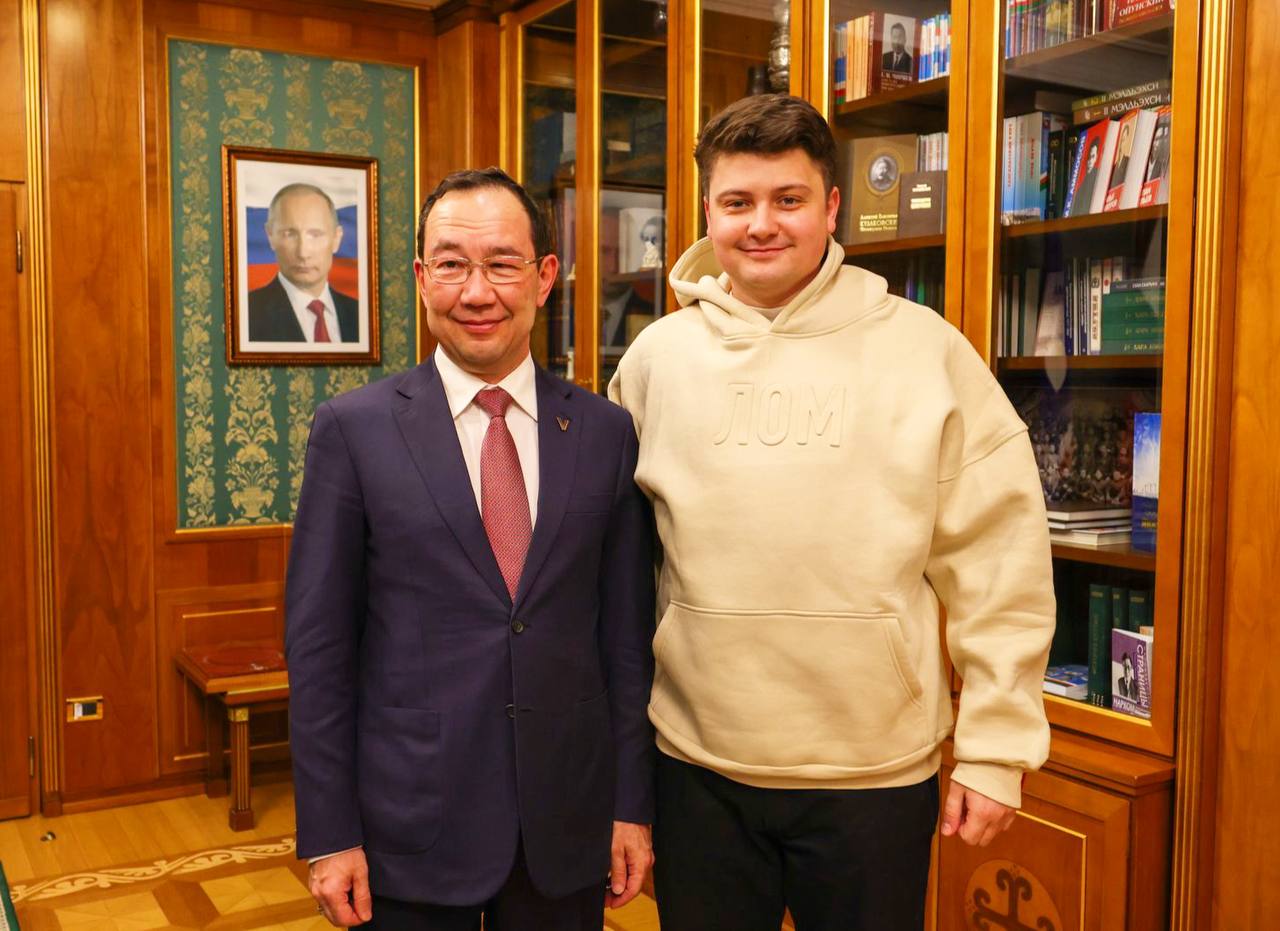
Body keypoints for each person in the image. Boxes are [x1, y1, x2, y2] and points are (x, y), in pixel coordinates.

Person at [608, 94, 1055, 930]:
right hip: (696, 766)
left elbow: (1000, 559)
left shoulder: (925, 350)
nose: (761, 224)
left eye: (789, 198)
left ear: (832, 206)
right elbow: (617, 572)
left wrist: (997, 748)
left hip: (874, 776)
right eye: (737, 201)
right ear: (707, 210)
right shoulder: (655, 362)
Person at [287, 166, 656, 930]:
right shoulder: (353, 431)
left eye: (502, 264)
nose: (477, 291)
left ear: (545, 277)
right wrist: (329, 832)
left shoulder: (605, 432)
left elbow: (625, 643)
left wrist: (630, 804)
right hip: (408, 824)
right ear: (423, 279)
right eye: (452, 264)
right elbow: (320, 649)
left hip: (566, 821)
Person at [248, 183, 359, 343]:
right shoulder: (247, 313)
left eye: (315, 234)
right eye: (289, 234)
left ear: (336, 239)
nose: (303, 253)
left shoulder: (360, 314)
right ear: (270, 236)